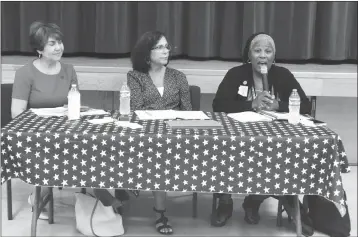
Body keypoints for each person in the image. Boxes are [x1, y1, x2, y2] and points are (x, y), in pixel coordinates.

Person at [211, 32, 313, 236]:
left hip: (274, 138)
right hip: (238, 137)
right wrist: (251, 104)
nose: (263, 56)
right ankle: (225, 202)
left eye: (268, 51)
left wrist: (279, 105)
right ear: (249, 55)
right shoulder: (236, 74)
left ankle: (255, 200)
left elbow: (305, 105)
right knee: (223, 150)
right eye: (257, 50)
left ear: (274, 56)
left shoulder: (283, 75)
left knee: (284, 156)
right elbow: (218, 104)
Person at [11, 21, 79, 219]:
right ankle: (39, 194)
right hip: (35, 133)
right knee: (50, 148)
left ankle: (102, 199)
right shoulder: (25, 73)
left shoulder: (69, 70)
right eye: (52, 44)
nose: (59, 47)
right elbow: (17, 112)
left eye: (60, 42)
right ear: (39, 48)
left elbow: (73, 103)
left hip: (64, 129)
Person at [127, 31, 192, 235]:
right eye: (160, 47)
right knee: (155, 152)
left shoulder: (178, 76)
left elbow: (188, 111)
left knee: (161, 155)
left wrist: (167, 118)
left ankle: (157, 208)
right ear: (147, 53)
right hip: (146, 133)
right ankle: (159, 210)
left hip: (173, 133)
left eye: (167, 47)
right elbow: (136, 108)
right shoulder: (135, 76)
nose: (166, 51)